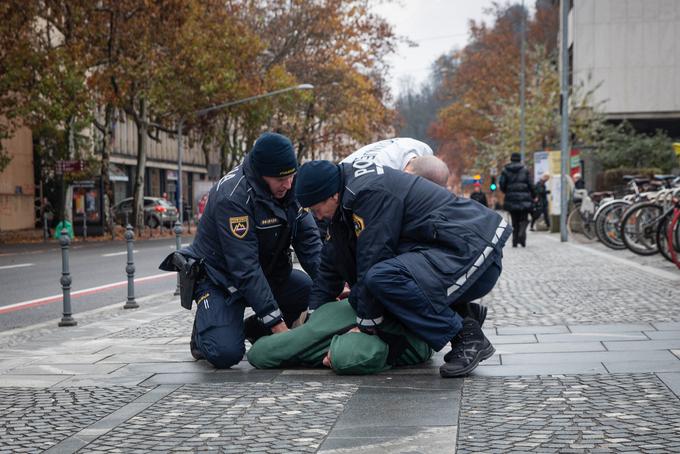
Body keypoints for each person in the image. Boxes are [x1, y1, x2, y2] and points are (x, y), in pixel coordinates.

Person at [293, 158, 511, 378]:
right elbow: (331, 265)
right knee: (365, 292)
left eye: (317, 208)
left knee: (382, 279)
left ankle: (467, 336)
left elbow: (373, 258)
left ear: (333, 195)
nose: (316, 216)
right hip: (449, 249)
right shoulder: (346, 197)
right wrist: (312, 323)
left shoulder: (367, 192)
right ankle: (460, 312)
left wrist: (365, 326)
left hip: (470, 251)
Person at [160, 132, 322, 368]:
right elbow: (244, 267)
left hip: (267, 273)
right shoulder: (233, 196)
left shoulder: (292, 187)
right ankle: (204, 334)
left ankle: (248, 329)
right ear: (262, 172)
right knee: (225, 353)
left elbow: (310, 243)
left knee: (309, 290)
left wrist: (332, 286)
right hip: (221, 280)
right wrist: (279, 327)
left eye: (291, 176)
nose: (288, 185)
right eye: (280, 180)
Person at [499, 152, 535, 247]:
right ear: (519, 159)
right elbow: (531, 184)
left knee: (514, 221)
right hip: (524, 199)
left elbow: (502, 184)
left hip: (511, 199)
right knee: (524, 219)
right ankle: (522, 237)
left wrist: (507, 191)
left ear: (511, 159)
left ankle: (515, 241)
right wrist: (534, 195)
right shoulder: (525, 169)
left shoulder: (505, 170)